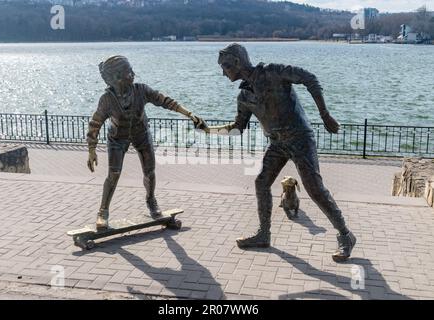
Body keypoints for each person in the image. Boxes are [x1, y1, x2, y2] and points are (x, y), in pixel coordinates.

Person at [204, 43, 356, 262]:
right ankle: (263, 234)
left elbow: (309, 78)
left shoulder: (273, 72)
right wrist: (210, 130)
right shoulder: (244, 97)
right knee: (261, 182)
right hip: (277, 143)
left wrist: (324, 114)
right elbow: (238, 127)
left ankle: (345, 235)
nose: (222, 71)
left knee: (315, 190)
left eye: (225, 66)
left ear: (237, 62)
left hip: (300, 138)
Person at [86, 55, 205, 230]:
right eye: (129, 72)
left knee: (150, 172)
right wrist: (91, 149)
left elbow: (165, 101)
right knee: (114, 174)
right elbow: (95, 123)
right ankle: (103, 212)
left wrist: (189, 114)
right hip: (117, 138)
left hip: (141, 134)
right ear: (117, 77)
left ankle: (151, 200)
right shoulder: (107, 99)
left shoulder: (141, 90)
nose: (133, 73)